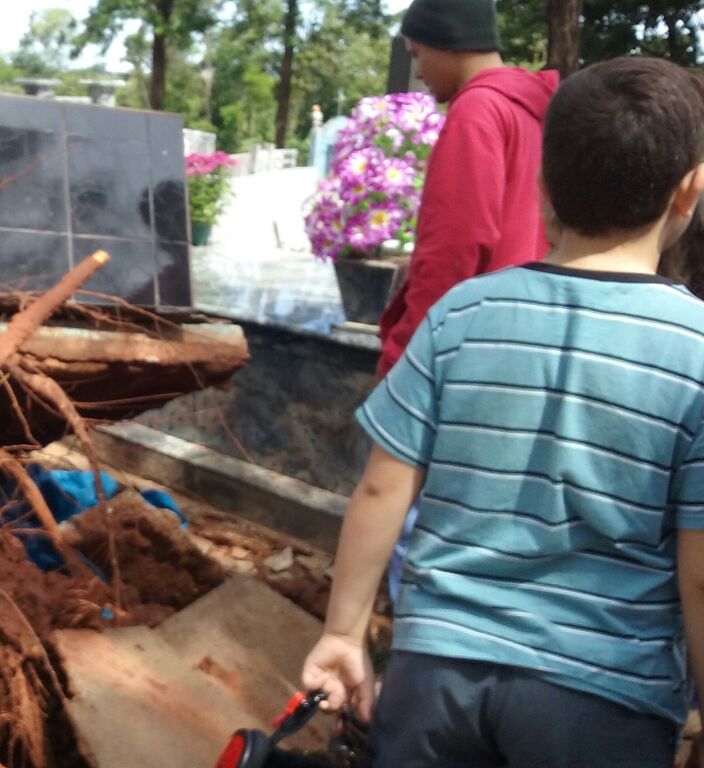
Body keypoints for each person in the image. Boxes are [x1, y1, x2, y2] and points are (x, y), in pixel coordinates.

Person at [301, 57, 704, 767]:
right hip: (601, 701)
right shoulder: (695, 351)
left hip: (434, 679)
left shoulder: (463, 313)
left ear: (542, 186)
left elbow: (380, 487)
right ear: (689, 191)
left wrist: (342, 632)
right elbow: (699, 571)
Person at [381, 0, 559, 601]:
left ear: (448, 42)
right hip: (524, 353)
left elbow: (451, 256)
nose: (419, 71)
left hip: (464, 361)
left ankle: (408, 672)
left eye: (418, 54)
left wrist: (402, 366)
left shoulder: (477, 112)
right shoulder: (538, 112)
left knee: (419, 535)